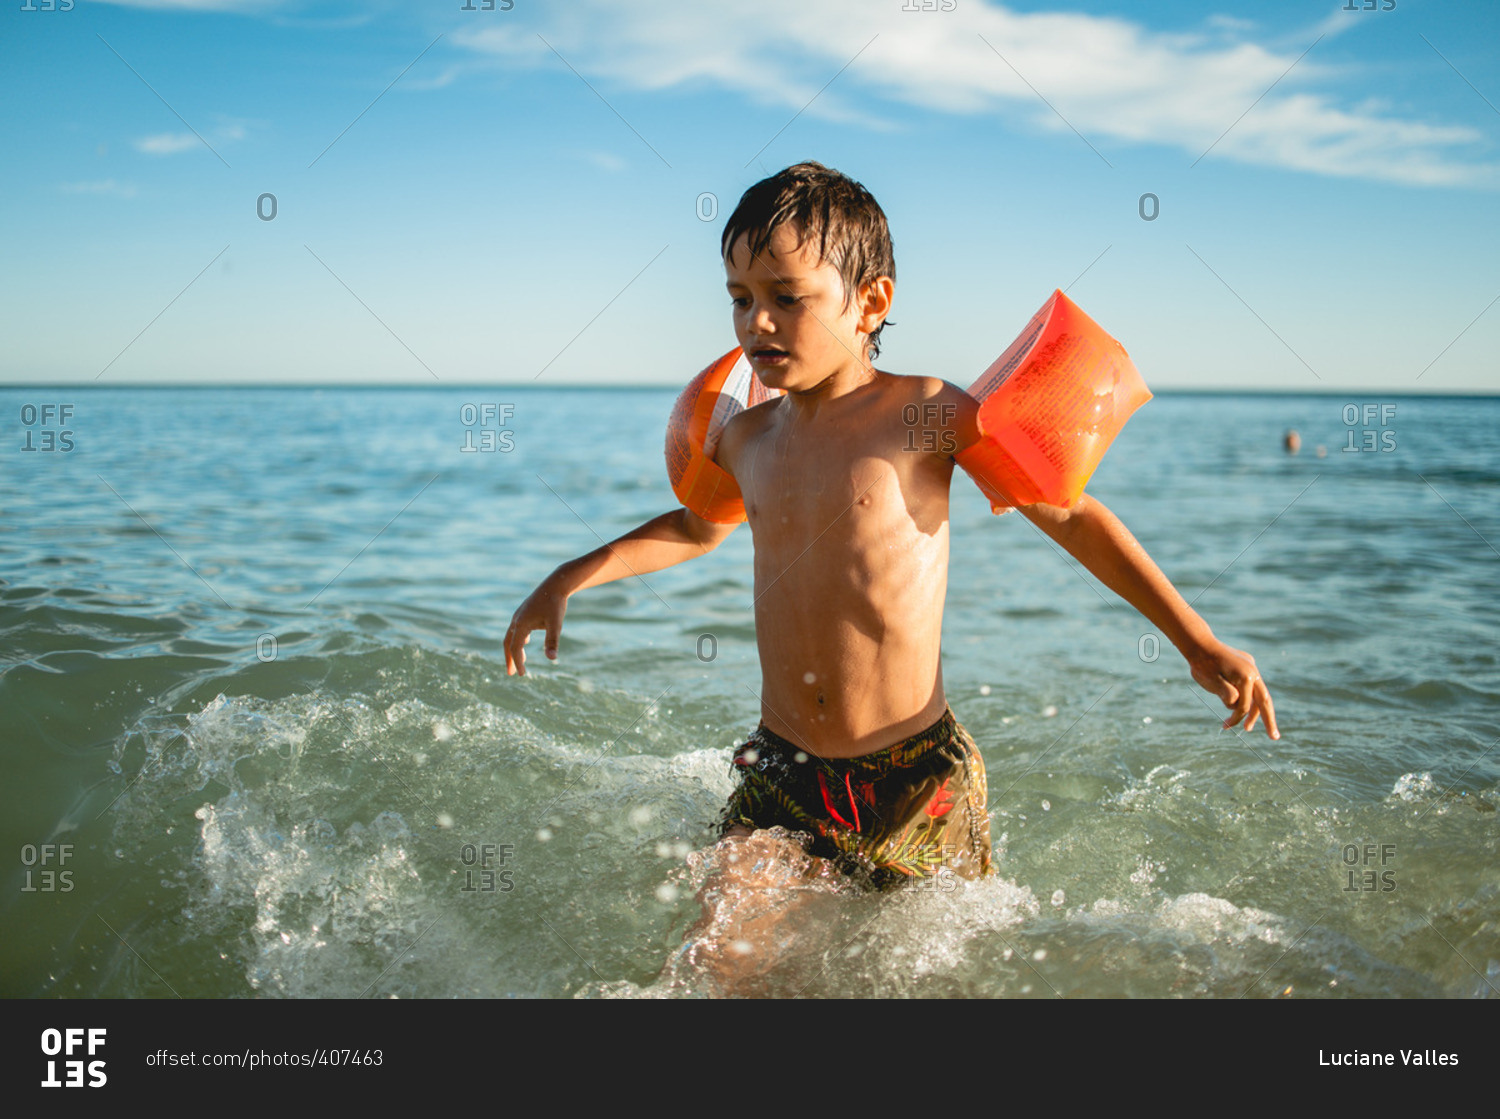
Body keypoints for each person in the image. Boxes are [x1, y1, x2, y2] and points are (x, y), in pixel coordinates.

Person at [505, 162, 1278, 897]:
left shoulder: (927, 416)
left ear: (870, 303)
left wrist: (1195, 640)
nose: (757, 321)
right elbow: (697, 527)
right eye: (739, 297)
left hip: (916, 773)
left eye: (787, 296)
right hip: (782, 765)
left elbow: (1071, 515)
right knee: (721, 952)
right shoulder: (746, 437)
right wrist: (570, 575)